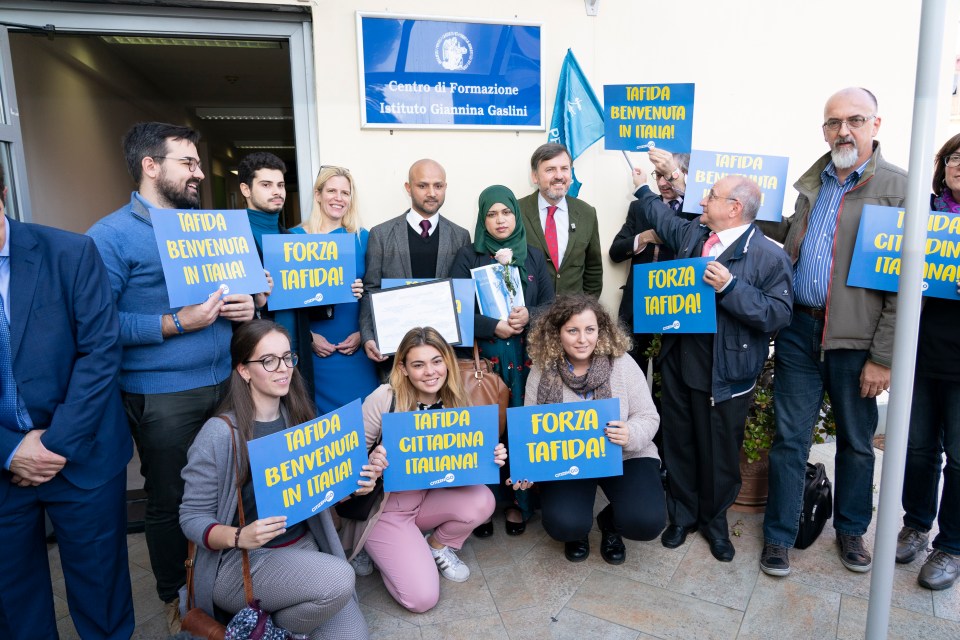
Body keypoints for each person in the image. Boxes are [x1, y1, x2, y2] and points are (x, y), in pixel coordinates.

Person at [87, 122, 260, 631]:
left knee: (235, 485)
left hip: (227, 383)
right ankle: (176, 592)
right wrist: (176, 322)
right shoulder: (109, 236)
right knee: (171, 498)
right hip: (161, 394)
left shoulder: (210, 228)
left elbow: (246, 295)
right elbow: (97, 324)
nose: (200, 173)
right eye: (188, 163)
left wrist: (251, 302)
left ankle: (230, 578)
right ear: (150, 166)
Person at [760, 88, 907, 577]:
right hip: (800, 330)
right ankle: (780, 537)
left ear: (875, 125)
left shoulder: (897, 189)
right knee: (789, 439)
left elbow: (905, 284)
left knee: (858, 443)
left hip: (855, 341)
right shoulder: (814, 182)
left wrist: (882, 357)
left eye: (854, 120)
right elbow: (789, 236)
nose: (843, 130)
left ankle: (850, 531)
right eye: (833, 122)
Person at [0, 166, 134, 640]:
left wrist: (54, 444)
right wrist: (11, 449)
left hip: (84, 454)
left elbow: (100, 351)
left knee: (101, 593)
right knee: (14, 604)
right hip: (3, 463)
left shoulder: (70, 252)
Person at [635, 163, 793, 562]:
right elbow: (663, 219)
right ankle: (682, 517)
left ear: (735, 207)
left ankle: (715, 524)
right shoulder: (695, 235)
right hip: (678, 363)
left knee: (721, 457)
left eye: (712, 196)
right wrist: (643, 189)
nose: (702, 200)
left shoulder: (768, 257)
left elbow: (777, 315)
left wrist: (731, 287)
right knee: (680, 445)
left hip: (726, 374)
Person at [180, 320, 371, 639]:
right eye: (268, 360)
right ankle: (263, 629)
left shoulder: (299, 418)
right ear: (243, 370)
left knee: (353, 635)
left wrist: (352, 485)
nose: (283, 368)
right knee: (340, 579)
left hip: (304, 548)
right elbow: (191, 518)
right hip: (243, 563)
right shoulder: (219, 433)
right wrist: (240, 536)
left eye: (287, 357)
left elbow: (317, 491)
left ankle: (268, 629)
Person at [339, 327, 506, 613]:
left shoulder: (457, 398)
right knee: (422, 599)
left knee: (483, 499)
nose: (430, 372)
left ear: (447, 363)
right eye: (418, 364)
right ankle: (375, 546)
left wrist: (490, 456)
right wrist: (371, 462)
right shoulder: (384, 398)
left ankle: (437, 545)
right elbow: (345, 462)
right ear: (403, 368)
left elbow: (462, 460)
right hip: (387, 508)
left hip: (429, 498)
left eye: (436, 361)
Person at [523, 295, 664, 564]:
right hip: (567, 459)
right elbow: (532, 428)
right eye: (572, 330)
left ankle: (610, 523)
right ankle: (579, 530)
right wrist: (527, 467)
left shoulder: (621, 363)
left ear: (601, 330)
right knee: (564, 524)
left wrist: (630, 434)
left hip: (625, 455)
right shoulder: (542, 370)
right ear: (557, 333)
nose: (582, 339)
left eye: (590, 329)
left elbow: (648, 415)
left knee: (647, 521)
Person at [450, 184, 555, 536]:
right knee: (484, 429)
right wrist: (491, 325)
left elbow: (551, 308)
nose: (499, 220)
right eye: (491, 214)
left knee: (521, 428)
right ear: (483, 219)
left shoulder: (536, 256)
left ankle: (518, 503)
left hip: (527, 360)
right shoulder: (468, 257)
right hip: (487, 363)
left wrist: (529, 318)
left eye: (506, 212)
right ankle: (480, 506)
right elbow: (454, 310)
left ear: (515, 215)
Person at [894, 135, 960, 590]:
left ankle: (951, 546)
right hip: (919, 353)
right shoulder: (923, 213)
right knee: (917, 449)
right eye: (956, 157)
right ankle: (916, 523)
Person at [360, 160, 471, 365]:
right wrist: (367, 336)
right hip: (396, 354)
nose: (431, 193)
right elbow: (371, 290)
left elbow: (462, 294)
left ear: (445, 187)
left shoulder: (460, 236)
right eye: (423, 186)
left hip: (443, 353)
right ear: (408, 188)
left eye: (438, 186)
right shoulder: (381, 235)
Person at [292, 166, 378, 414]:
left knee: (365, 421)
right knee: (321, 428)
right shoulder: (293, 238)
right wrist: (308, 338)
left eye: (345, 192)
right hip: (315, 352)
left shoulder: (363, 238)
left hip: (357, 348)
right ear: (318, 195)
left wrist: (364, 333)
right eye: (331, 190)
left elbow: (375, 291)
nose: (338, 198)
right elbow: (285, 300)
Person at [610, 149, 693, 370]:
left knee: (665, 380)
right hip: (637, 305)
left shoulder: (695, 208)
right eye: (657, 175)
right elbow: (615, 252)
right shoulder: (640, 207)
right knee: (629, 370)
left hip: (676, 307)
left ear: (683, 173)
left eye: (667, 174)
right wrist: (644, 238)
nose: (663, 182)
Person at [237, 151, 313, 389]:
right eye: (266, 185)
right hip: (258, 363)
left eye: (280, 185)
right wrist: (256, 300)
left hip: (295, 356)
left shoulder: (291, 240)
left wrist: (343, 287)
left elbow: (308, 299)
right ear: (246, 190)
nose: (277, 191)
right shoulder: (231, 239)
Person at [518, 143, 603, 297]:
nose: (559, 176)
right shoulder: (516, 212)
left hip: (573, 314)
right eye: (550, 169)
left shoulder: (587, 213)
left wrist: (587, 309)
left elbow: (593, 270)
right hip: (530, 313)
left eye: (564, 168)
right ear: (535, 176)